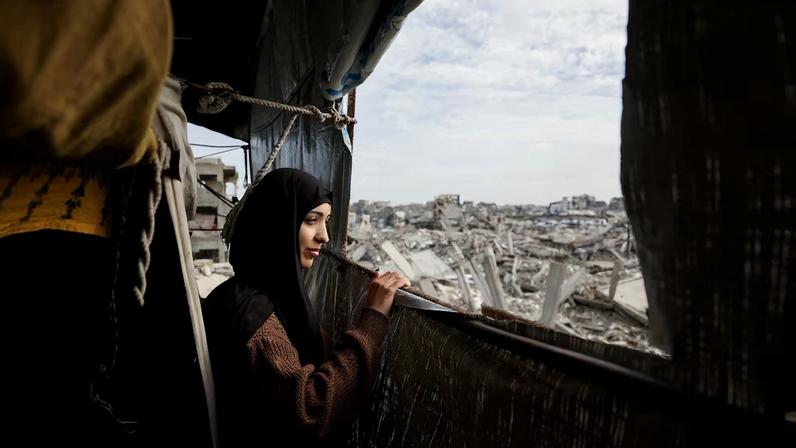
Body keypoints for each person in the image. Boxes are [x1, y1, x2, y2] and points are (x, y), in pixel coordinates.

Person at [203, 168, 410, 446]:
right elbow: (312, 407)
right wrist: (372, 321)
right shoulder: (251, 313)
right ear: (277, 222)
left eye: (326, 221)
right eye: (312, 220)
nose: (324, 236)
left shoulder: (247, 293)